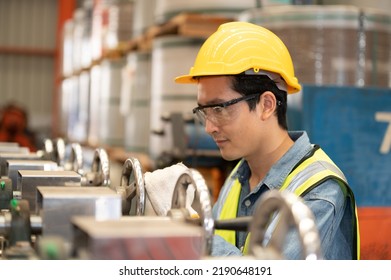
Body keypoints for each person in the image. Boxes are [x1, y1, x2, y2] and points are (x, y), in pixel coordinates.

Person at [175, 21, 359, 260]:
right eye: (204, 112)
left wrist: (193, 236)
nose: (209, 127)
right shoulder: (239, 178)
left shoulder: (318, 192)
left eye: (219, 109)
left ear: (267, 105)